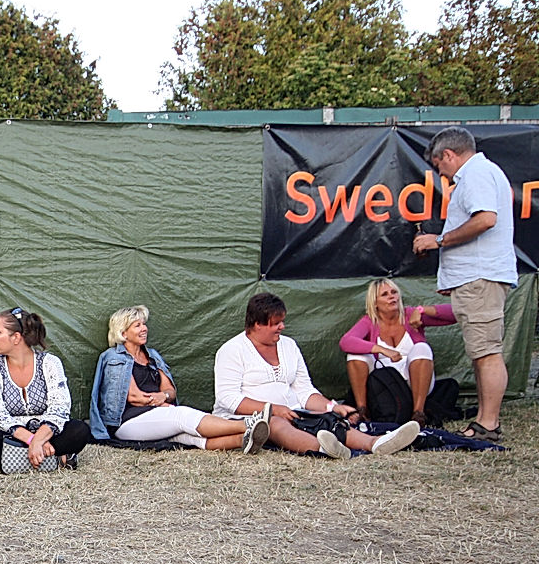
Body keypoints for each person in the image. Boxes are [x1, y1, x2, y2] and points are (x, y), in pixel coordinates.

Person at [213, 293, 420, 460]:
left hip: (294, 412)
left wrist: (332, 407)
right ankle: (322, 449)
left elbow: (304, 390)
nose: (282, 327)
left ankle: (375, 443)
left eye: (282, 321)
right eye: (276, 323)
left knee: (328, 419)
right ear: (257, 324)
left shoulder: (289, 345)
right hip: (249, 418)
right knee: (274, 423)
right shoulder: (232, 350)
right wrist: (273, 409)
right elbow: (227, 398)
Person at [412, 126, 517, 442]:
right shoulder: (482, 173)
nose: (441, 174)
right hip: (477, 277)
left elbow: (485, 219)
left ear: (448, 154)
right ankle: (485, 420)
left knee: (487, 352)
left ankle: (488, 423)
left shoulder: (476, 174)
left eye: (438, 166)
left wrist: (438, 240)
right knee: (481, 352)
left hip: (480, 277)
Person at [90, 305, 269, 453]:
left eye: (144, 324)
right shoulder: (114, 357)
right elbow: (134, 397)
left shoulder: (152, 355)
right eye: (137, 325)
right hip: (127, 422)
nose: (144, 328)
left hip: (156, 415)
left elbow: (170, 391)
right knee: (181, 416)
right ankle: (246, 424)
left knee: (188, 437)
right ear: (123, 333)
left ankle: (243, 439)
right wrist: (161, 402)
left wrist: (165, 396)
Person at [0, 308, 91, 468]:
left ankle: (11, 459)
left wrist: (39, 438)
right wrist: (32, 440)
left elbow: (59, 409)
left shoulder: (50, 363)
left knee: (79, 430)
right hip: (11, 435)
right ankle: (54, 458)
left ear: (16, 337)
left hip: (47, 433)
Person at [339, 279, 456, 425]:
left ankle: (418, 413)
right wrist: (382, 350)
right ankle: (363, 410)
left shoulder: (410, 315)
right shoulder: (369, 321)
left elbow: (455, 313)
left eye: (394, 292)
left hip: (413, 379)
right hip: (385, 382)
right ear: (375, 303)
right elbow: (346, 341)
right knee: (355, 355)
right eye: (385, 294)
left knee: (422, 347)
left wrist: (422, 310)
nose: (392, 297)